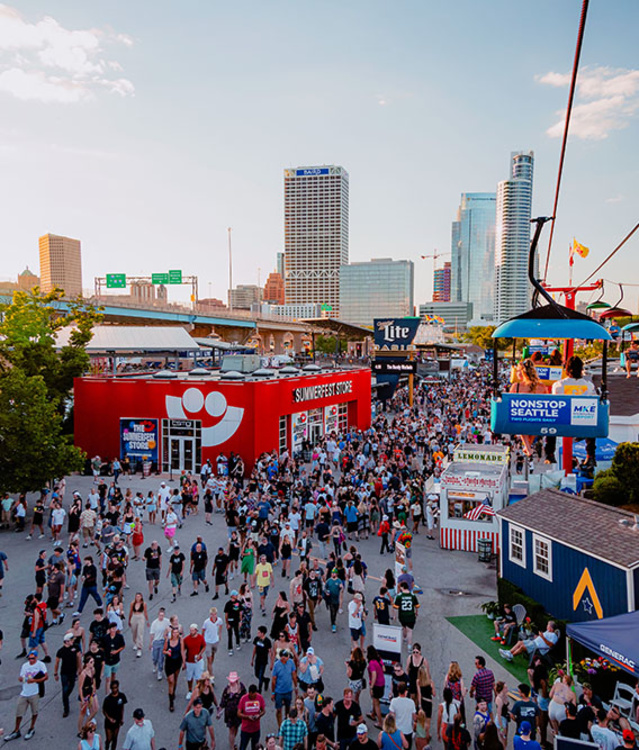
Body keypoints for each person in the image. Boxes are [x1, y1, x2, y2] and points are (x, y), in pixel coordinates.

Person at [3, 650, 48, 742]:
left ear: (36, 657)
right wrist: (23, 679)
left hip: (35, 692)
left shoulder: (40, 665)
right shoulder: (25, 666)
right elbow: (21, 677)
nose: (31, 660)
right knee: (19, 712)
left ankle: (31, 728)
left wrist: (35, 681)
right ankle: (16, 730)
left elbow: (46, 677)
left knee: (34, 712)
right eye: (29, 658)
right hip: (25, 692)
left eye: (33, 658)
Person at [509, 360, 549, 457]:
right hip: (537, 420)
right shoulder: (541, 387)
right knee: (532, 420)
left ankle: (528, 447)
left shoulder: (516, 387)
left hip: (522, 420)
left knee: (522, 419)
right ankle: (528, 446)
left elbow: (509, 403)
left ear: (522, 372)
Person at [54, 631, 81, 717]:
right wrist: (55, 673)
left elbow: (78, 659)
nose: (73, 641)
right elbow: (57, 662)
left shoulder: (75, 648)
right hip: (64, 673)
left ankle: (66, 697)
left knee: (72, 686)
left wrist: (80, 669)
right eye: (71, 640)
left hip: (73, 672)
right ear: (66, 641)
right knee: (65, 690)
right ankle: (66, 708)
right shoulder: (61, 651)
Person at [219, 671, 247, 750]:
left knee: (236, 727)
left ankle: (233, 741)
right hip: (230, 713)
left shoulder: (241, 687)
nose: (232, 682)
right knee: (231, 729)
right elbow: (223, 701)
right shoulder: (227, 689)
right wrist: (219, 711)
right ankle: (232, 747)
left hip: (238, 712)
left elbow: (245, 698)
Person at [271, 650, 297, 727]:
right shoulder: (276, 665)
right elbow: (273, 680)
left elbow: (294, 675)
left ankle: (286, 722)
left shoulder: (291, 663)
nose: (285, 658)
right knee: (279, 709)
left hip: (288, 690)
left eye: (286, 656)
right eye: (284, 656)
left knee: (288, 708)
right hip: (279, 691)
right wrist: (273, 693)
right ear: (281, 657)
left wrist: (296, 687)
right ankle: (280, 727)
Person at [237, 683, 266, 750]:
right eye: (253, 695)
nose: (254, 696)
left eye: (255, 694)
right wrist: (247, 717)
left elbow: (263, 711)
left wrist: (259, 715)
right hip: (245, 729)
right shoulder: (243, 699)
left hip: (256, 729)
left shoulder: (260, 698)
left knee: (255, 747)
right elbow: (238, 713)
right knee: (243, 747)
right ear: (249, 693)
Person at [102, 680, 128, 750]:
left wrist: (122, 718)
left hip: (117, 720)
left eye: (116, 688)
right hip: (109, 722)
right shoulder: (108, 699)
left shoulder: (121, 696)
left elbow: (122, 707)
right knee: (109, 738)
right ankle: (107, 747)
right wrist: (109, 718)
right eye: (113, 688)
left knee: (115, 738)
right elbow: (104, 711)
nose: (114, 689)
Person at [389, 682, 416, 750]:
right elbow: (414, 717)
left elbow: (391, 716)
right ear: (406, 691)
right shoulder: (411, 702)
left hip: (397, 730)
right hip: (408, 730)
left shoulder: (394, 701)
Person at [183, 623, 206, 700]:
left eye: (193, 630)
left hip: (198, 661)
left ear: (196, 630)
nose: (191, 632)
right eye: (190, 630)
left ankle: (198, 691)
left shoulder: (200, 638)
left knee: (198, 677)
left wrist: (200, 654)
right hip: (189, 661)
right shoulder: (186, 639)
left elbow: (204, 646)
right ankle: (190, 691)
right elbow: (183, 649)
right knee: (189, 678)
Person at [393, 582, 419, 647]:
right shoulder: (412, 595)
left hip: (402, 616)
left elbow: (396, 607)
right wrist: (416, 612)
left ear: (402, 587)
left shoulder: (399, 596)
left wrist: (394, 615)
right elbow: (417, 606)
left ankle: (404, 638)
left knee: (404, 627)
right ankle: (409, 645)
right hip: (410, 616)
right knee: (409, 631)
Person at [367, 645, 386, 729]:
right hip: (382, 683)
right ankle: (373, 714)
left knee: (376, 702)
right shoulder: (379, 659)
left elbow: (374, 675)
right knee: (375, 700)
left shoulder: (371, 663)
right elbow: (384, 669)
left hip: (376, 685)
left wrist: (371, 687)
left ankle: (380, 722)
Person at [149, 607, 170, 681]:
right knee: (155, 657)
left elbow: (170, 628)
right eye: (160, 615)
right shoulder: (154, 623)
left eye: (162, 615)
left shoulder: (167, 621)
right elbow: (152, 634)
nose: (161, 617)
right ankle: (155, 664)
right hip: (156, 641)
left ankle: (160, 671)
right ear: (158, 615)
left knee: (161, 657)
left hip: (162, 641)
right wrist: (150, 643)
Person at [128, 593, 150, 658]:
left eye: (139, 596)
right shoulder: (133, 603)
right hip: (134, 616)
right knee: (134, 632)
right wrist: (129, 620)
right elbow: (131, 612)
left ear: (141, 597)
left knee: (140, 633)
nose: (138, 598)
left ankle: (139, 648)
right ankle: (135, 642)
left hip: (140, 617)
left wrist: (147, 621)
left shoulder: (143, 604)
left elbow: (145, 612)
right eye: (137, 596)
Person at [251, 626, 272, 694]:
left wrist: (271, 663)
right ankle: (266, 680)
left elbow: (269, 652)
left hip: (263, 661)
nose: (258, 633)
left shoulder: (267, 641)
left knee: (260, 676)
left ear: (263, 633)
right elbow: (254, 649)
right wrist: (252, 659)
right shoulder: (257, 639)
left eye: (259, 632)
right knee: (256, 674)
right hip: (257, 660)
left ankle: (259, 689)